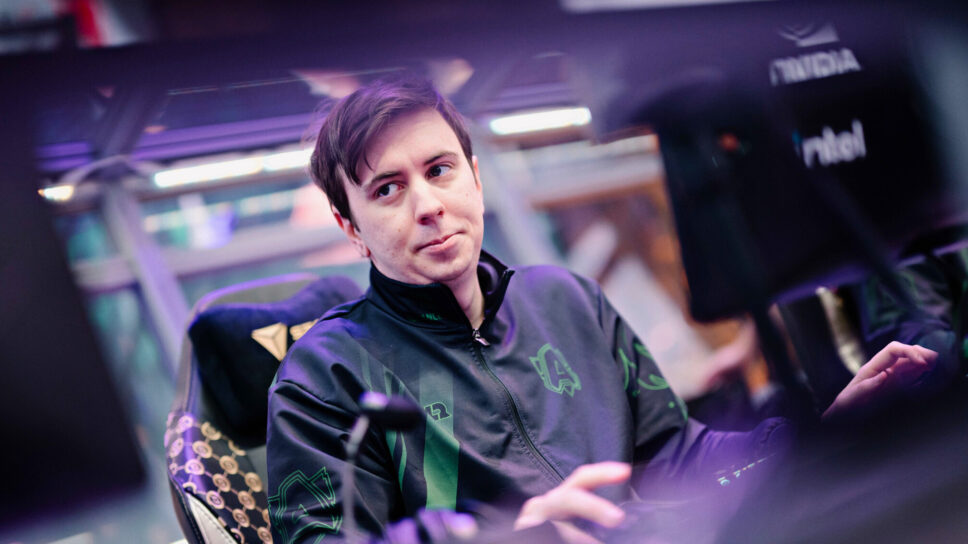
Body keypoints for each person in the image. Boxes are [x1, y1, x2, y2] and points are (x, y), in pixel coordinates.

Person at [265, 75, 938, 544]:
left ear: (474, 176)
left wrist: (818, 432)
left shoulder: (566, 300)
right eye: (387, 189)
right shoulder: (324, 376)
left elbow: (677, 454)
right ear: (351, 226)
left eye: (439, 170)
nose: (428, 205)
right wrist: (511, 537)